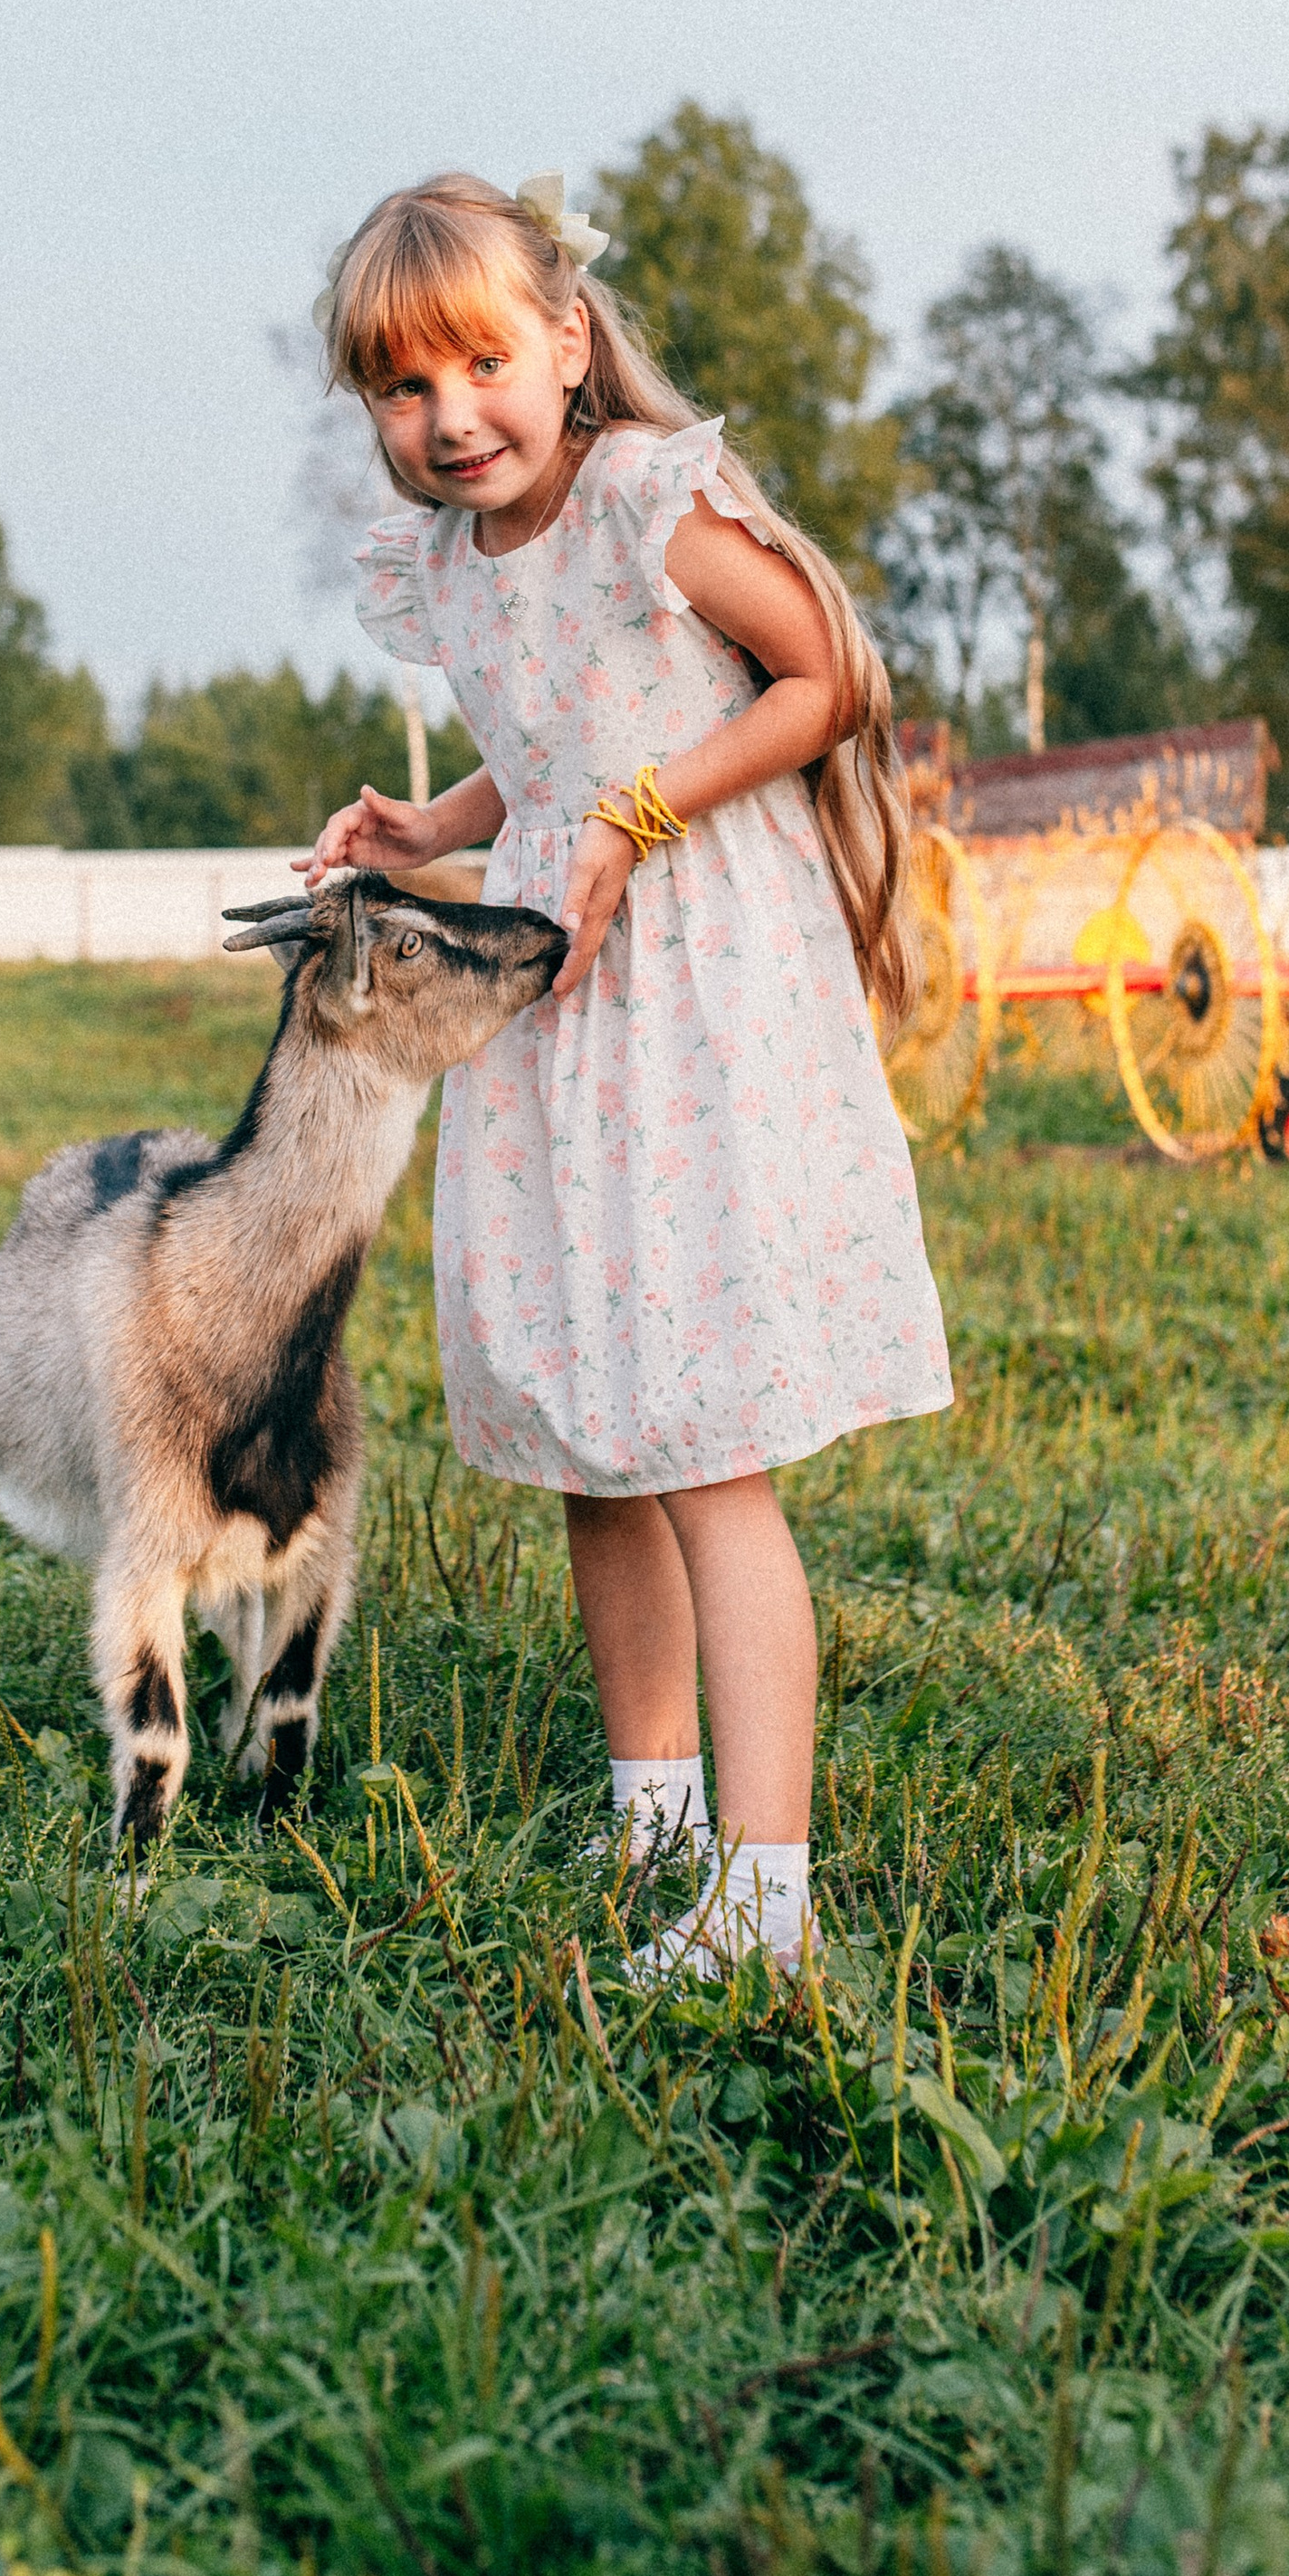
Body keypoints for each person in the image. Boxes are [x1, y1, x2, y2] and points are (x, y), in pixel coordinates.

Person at [300, 170, 950, 1969]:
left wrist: (636, 817)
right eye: (403, 388)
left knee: (703, 1439)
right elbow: (548, 736)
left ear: (568, 342)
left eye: (482, 365)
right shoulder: (454, 567)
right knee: (594, 1433)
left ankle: (764, 1892)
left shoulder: (645, 503)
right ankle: (649, 1809)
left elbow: (819, 679)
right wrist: (428, 828)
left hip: (692, 992)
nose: (450, 416)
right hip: (551, 998)